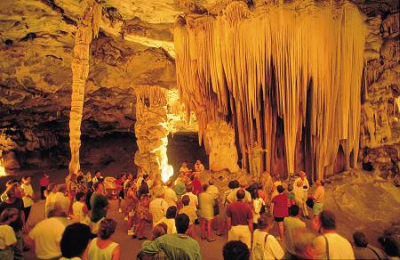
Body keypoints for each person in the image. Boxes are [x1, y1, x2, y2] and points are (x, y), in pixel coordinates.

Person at [0, 186, 25, 260]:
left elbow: (21, 212)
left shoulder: (20, 200)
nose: (21, 193)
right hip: (7, 231)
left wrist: (24, 225)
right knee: (8, 249)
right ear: (12, 195)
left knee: (19, 250)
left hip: (17, 228)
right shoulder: (2, 205)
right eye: (18, 192)